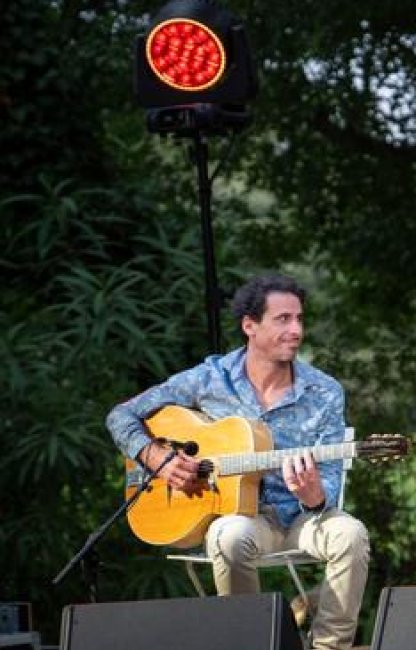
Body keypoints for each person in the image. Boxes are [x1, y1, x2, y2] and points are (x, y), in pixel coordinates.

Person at [107, 274, 369, 650]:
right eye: (283, 319)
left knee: (351, 533)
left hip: (301, 519)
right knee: (227, 534)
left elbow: (327, 485)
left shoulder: (324, 391)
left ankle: (329, 647)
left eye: (299, 319)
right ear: (250, 326)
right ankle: (251, 643)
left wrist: (313, 496)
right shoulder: (209, 379)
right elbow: (121, 416)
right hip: (242, 518)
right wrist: (158, 458)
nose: (296, 330)